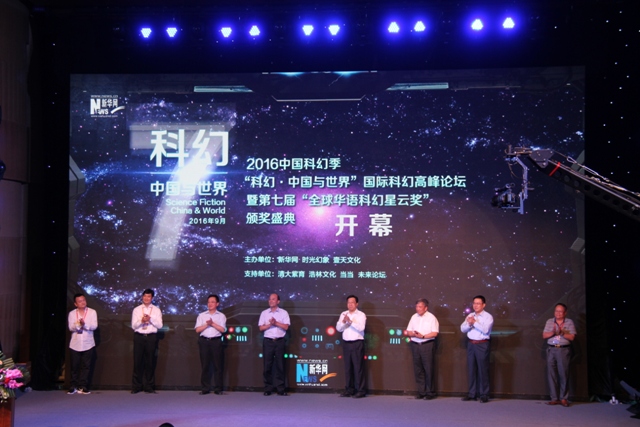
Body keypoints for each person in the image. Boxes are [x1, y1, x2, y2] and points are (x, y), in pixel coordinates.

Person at [460, 295, 493, 403]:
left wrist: (474, 322)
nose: (475, 305)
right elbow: (462, 329)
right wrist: (469, 324)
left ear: (484, 305)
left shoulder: (488, 317)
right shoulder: (470, 315)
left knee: (483, 369)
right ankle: (472, 393)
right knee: (471, 369)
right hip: (471, 344)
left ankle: (484, 394)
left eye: (478, 303)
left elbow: (485, 330)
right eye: (474, 303)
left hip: (482, 344)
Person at [404, 298, 439, 400]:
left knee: (428, 369)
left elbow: (435, 333)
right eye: (416, 307)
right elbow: (408, 331)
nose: (418, 309)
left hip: (427, 345)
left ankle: (430, 392)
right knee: (418, 369)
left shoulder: (431, 318)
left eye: (420, 307)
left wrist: (423, 336)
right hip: (415, 345)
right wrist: (413, 334)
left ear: (426, 308)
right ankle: (421, 392)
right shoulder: (413, 317)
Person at [542, 303, 576, 407]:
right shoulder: (549, 321)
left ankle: (563, 398)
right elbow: (544, 335)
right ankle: (554, 398)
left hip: (563, 350)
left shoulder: (569, 322)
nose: (558, 313)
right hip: (551, 349)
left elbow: (572, 337)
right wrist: (553, 332)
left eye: (560, 311)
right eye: (556, 311)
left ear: (565, 313)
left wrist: (562, 333)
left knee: (563, 374)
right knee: (551, 374)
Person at [131, 288, 163, 394]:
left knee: (150, 362)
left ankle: (149, 386)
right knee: (137, 362)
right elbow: (133, 326)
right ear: (142, 297)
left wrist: (150, 319)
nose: (146, 298)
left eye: (149, 296)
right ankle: (136, 386)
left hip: (151, 337)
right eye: (144, 296)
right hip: (139, 337)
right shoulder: (136, 310)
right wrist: (141, 321)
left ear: (152, 298)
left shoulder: (156, 310)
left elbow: (160, 325)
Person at [258, 293, 290, 396]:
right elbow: (261, 328)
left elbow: (286, 327)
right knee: (267, 366)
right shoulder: (264, 313)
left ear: (278, 301)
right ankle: (268, 388)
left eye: (273, 299)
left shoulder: (284, 313)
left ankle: (281, 389)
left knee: (280, 365)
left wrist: (276, 323)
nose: (271, 301)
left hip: (280, 341)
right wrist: (269, 325)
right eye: (270, 299)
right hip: (268, 342)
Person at [195, 294, 227, 395]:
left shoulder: (221, 316)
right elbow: (197, 330)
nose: (210, 304)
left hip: (216, 342)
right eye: (209, 302)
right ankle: (205, 388)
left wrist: (212, 324)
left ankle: (218, 389)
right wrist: (207, 324)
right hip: (204, 341)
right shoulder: (202, 315)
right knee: (205, 365)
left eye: (212, 302)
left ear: (217, 304)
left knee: (218, 366)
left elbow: (223, 330)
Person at [336, 294, 367, 398]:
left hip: (357, 343)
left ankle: (360, 390)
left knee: (358, 368)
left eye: (352, 302)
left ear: (356, 304)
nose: (350, 304)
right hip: (346, 343)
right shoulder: (343, 314)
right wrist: (344, 322)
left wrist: (350, 322)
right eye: (348, 302)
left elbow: (361, 328)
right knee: (348, 368)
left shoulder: (361, 315)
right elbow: (338, 328)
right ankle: (349, 389)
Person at [67, 293, 98, 394]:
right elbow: (70, 328)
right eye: (80, 301)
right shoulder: (72, 313)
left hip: (88, 343)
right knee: (74, 366)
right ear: (75, 304)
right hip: (75, 343)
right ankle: (73, 386)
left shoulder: (92, 312)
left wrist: (84, 325)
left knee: (86, 366)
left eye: (83, 300)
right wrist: (78, 325)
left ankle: (83, 386)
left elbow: (94, 326)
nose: (82, 302)